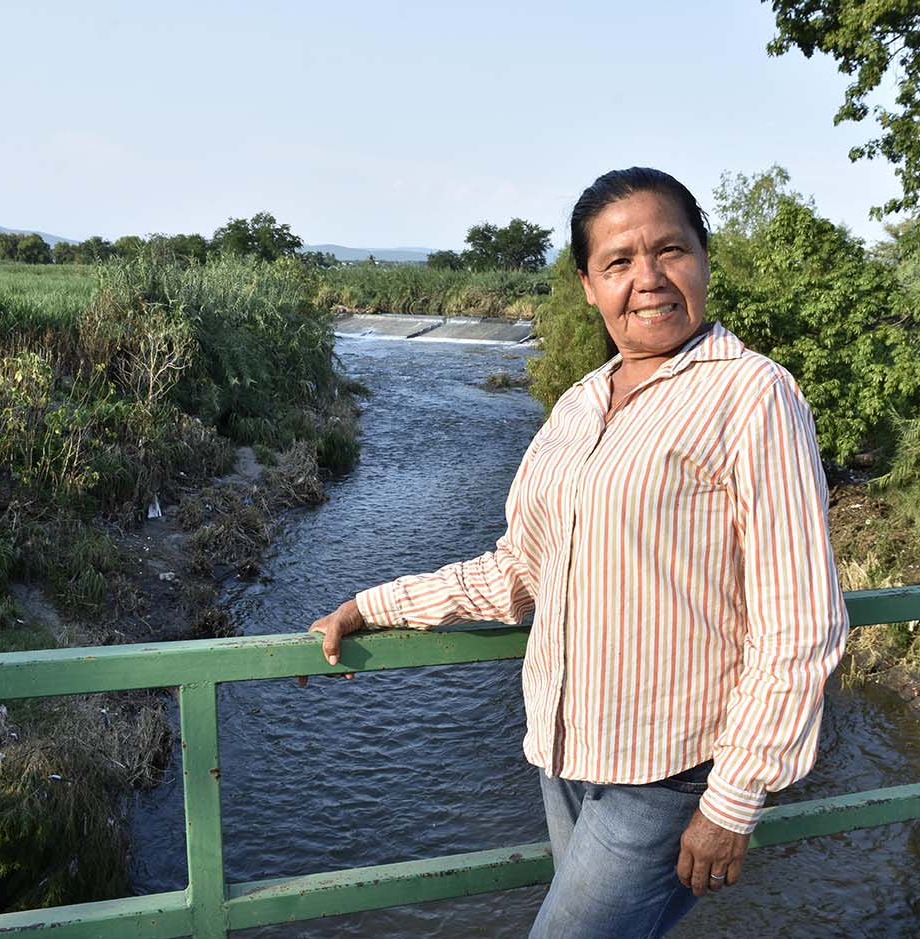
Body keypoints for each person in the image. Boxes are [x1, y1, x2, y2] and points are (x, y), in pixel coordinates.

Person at [310, 167, 849, 938]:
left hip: (670, 770)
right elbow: (519, 572)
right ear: (588, 285)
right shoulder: (578, 403)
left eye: (671, 250)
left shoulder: (754, 395)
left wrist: (732, 799)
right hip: (563, 752)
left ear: (704, 258)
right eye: (619, 261)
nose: (650, 278)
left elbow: (800, 619)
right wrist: (374, 604)